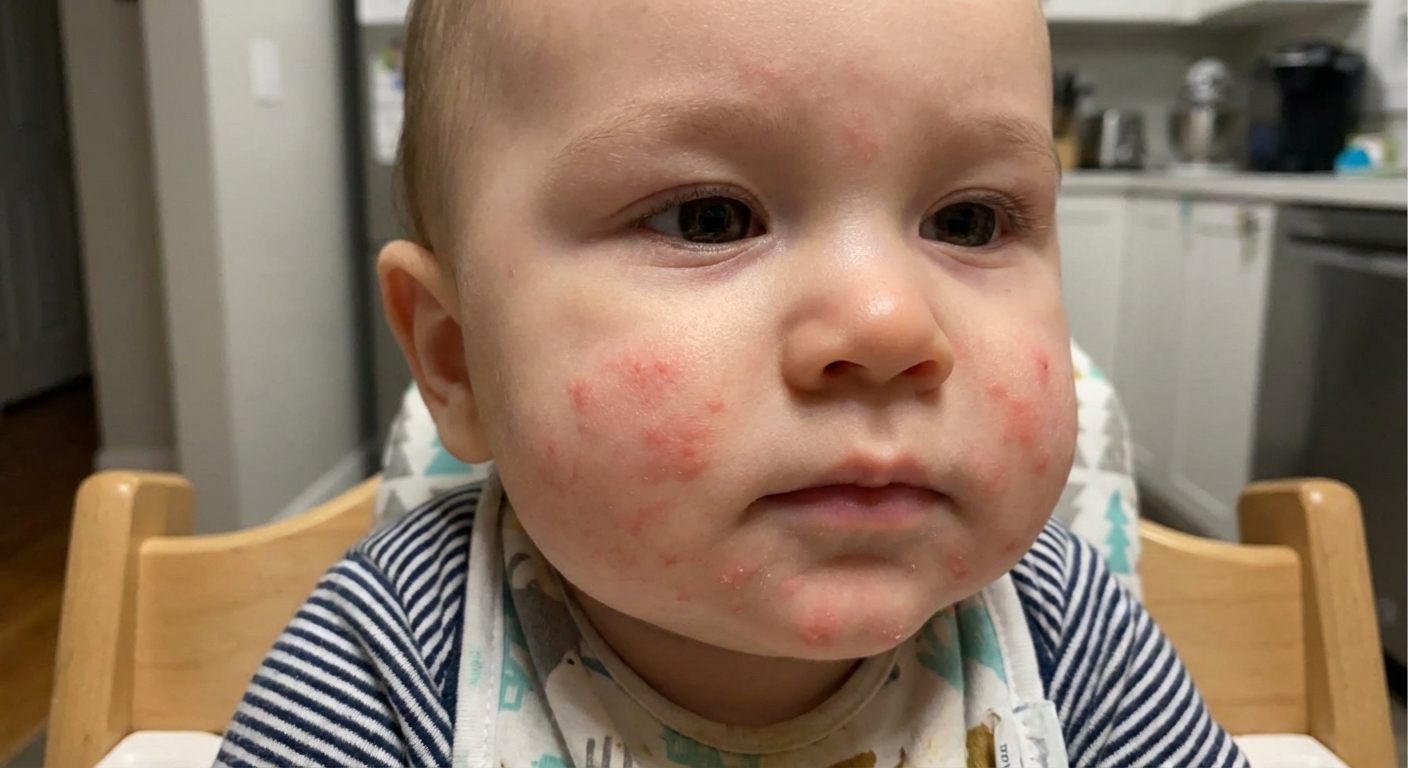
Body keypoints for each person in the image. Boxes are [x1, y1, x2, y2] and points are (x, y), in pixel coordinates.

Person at [215, 0, 1246, 765]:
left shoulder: (1064, 632)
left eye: (967, 221)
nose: (888, 324)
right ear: (456, 358)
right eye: (707, 217)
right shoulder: (394, 661)